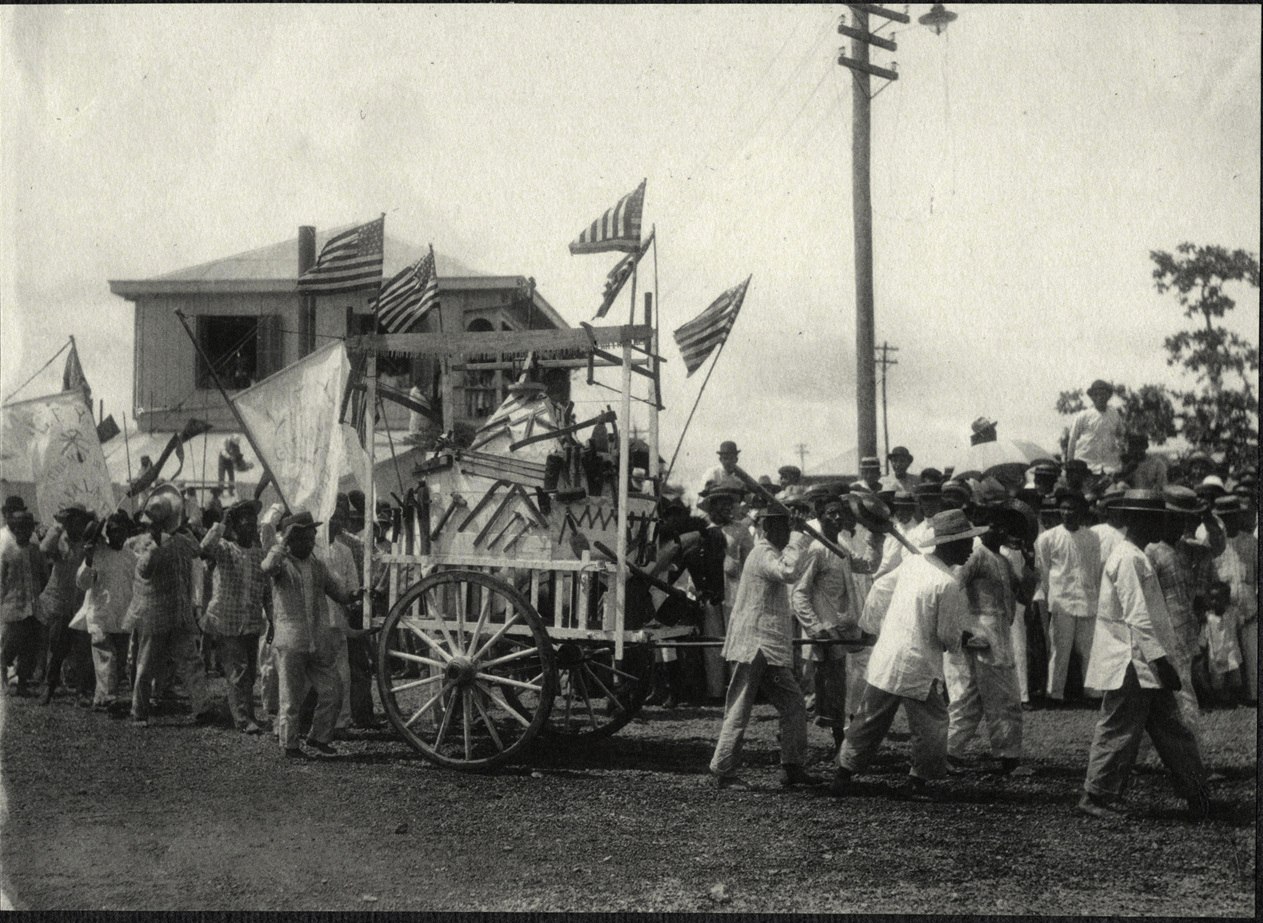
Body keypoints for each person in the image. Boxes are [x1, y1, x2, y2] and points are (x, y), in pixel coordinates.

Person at [830, 510, 983, 801]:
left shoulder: (914, 563)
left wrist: (871, 627)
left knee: (868, 720)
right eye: (965, 544)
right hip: (918, 664)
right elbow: (947, 634)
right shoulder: (947, 583)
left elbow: (879, 588)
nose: (970, 551)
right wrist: (961, 639)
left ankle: (843, 773)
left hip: (888, 656)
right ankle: (917, 782)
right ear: (948, 545)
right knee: (933, 725)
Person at [1078, 489, 1209, 822]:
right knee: (1120, 728)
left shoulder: (1134, 555)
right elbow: (1138, 616)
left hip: (1144, 660)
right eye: (1155, 517)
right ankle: (1097, 795)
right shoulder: (1129, 558)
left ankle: (1196, 792)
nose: (1162, 524)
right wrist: (1161, 661)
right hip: (1133, 661)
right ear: (1137, 520)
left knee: (1170, 727)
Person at [709, 508, 818, 790]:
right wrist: (798, 536)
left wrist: (796, 537)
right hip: (753, 644)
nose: (785, 534)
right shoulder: (762, 553)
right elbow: (789, 572)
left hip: (766, 646)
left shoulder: (770, 550)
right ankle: (723, 769)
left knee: (793, 704)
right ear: (769, 528)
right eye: (782, 528)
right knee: (740, 706)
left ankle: (793, 767)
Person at [261, 510, 361, 759]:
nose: (309, 542)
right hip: (291, 640)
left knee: (333, 689)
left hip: (317, 639)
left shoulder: (317, 565)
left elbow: (338, 593)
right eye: (303, 538)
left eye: (311, 537)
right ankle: (290, 744)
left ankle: (319, 737)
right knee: (290, 697)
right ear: (292, 540)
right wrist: (282, 542)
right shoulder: (281, 563)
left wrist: (355, 597)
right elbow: (267, 567)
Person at [944, 513, 1030, 775]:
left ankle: (948, 752)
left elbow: (1021, 592)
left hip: (999, 630)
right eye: (998, 528)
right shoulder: (977, 555)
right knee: (1004, 697)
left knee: (971, 698)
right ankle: (1009, 759)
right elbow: (952, 587)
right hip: (983, 633)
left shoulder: (1002, 559)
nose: (1003, 534)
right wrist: (963, 629)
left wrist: (1030, 561)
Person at [124, 487, 210, 727]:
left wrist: (184, 531)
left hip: (179, 613)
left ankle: (202, 708)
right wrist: (156, 549)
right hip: (153, 615)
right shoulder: (141, 544)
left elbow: (198, 551)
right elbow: (144, 571)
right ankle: (139, 711)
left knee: (191, 661)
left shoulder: (181, 540)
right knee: (145, 664)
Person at [790, 497, 865, 756]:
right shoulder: (816, 549)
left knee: (836, 685)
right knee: (825, 685)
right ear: (820, 518)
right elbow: (799, 593)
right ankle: (826, 738)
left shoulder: (842, 543)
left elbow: (865, 565)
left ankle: (834, 737)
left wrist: (878, 533)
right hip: (824, 625)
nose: (836, 518)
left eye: (839, 513)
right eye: (830, 514)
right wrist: (815, 627)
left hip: (843, 623)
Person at [200, 499, 269, 734]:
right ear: (236, 527)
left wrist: (270, 618)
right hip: (227, 620)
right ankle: (242, 719)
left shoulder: (260, 555)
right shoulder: (226, 549)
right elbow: (204, 548)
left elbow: (266, 591)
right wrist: (222, 523)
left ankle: (243, 713)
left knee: (248, 672)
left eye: (253, 523)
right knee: (237, 671)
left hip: (250, 621)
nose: (250, 528)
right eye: (244, 523)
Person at [1034, 489, 1101, 705]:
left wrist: (1094, 595)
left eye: (1072, 508)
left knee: (1088, 650)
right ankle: (1055, 694)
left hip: (1087, 599)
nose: (1067, 512)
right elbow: (1044, 570)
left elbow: (1094, 569)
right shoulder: (1048, 538)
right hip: (1061, 601)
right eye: (1063, 508)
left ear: (1080, 511)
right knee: (1059, 649)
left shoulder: (1092, 537)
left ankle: (1092, 693)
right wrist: (1050, 595)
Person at [74, 511, 137, 710]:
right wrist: (89, 559)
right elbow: (82, 583)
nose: (116, 535)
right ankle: (110, 698)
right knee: (105, 657)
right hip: (100, 614)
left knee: (116, 664)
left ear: (127, 533)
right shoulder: (98, 554)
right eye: (111, 531)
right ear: (107, 532)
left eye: (120, 531)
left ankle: (101, 698)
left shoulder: (132, 557)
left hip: (122, 616)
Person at [37, 504, 95, 705]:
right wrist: (58, 527)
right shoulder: (60, 540)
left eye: (80, 521)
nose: (76, 525)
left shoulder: (88, 542)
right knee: (57, 648)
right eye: (72, 520)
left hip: (80, 603)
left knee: (82, 651)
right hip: (61, 603)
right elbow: (43, 549)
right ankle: (49, 688)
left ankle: (81, 691)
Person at [1213, 496, 1256, 704]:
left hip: (1249, 608)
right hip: (1225, 609)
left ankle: (1250, 695)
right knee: (1225, 654)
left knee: (1250, 655)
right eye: (1224, 517)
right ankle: (1226, 695)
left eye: (1233, 516)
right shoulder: (1214, 543)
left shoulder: (1250, 542)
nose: (1229, 521)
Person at [1, 510, 48, 696]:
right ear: (13, 529)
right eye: (19, 528)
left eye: (27, 528)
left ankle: (22, 683)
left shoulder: (36, 551)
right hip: (12, 606)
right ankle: (3, 677)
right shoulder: (6, 551)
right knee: (9, 646)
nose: (24, 531)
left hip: (32, 607)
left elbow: (44, 576)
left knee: (28, 647)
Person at [1066, 380, 1125, 475]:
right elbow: (1072, 439)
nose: (1100, 397)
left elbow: (1121, 434)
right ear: (1092, 397)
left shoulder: (1114, 414)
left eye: (1103, 394)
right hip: (1086, 467)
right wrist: (1070, 464)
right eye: (1096, 394)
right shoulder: (1083, 415)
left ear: (1108, 396)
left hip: (1109, 468)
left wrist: (1118, 448)